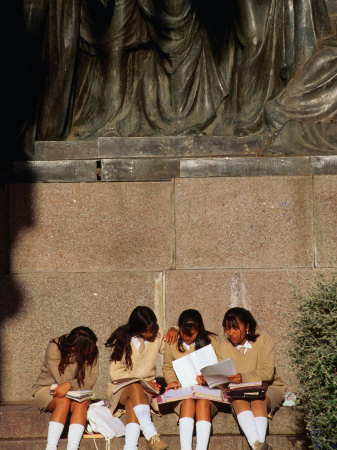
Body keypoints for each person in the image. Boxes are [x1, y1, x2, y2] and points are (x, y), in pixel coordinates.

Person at [105, 306, 178, 450]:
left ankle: (130, 446)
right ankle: (151, 434)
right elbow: (115, 373)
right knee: (134, 386)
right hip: (120, 389)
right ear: (137, 328)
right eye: (147, 330)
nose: (152, 332)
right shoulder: (121, 339)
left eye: (153, 328)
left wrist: (175, 329)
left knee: (133, 400)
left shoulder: (157, 334)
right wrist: (141, 381)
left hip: (146, 391)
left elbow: (171, 349)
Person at [216, 307, 286, 450]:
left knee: (257, 400)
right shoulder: (223, 347)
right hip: (238, 391)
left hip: (267, 387)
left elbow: (268, 373)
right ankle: (258, 446)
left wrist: (243, 377)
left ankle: (257, 445)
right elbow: (220, 375)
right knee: (237, 400)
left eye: (235, 328)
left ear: (247, 326)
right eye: (227, 329)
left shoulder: (263, 340)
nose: (231, 333)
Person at [32, 326, 99, 450]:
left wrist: (70, 385)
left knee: (82, 403)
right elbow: (62, 379)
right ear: (76, 347)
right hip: (47, 388)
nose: (92, 350)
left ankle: (72, 447)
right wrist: (68, 382)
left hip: (76, 391)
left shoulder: (92, 350)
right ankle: (51, 447)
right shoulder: (55, 348)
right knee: (63, 401)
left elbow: (90, 380)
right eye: (87, 348)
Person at [162, 309, 218, 450]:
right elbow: (167, 366)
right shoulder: (172, 343)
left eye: (191, 334)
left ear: (199, 329)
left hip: (207, 392)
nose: (187, 337)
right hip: (183, 391)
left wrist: (208, 378)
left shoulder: (212, 341)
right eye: (183, 333)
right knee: (187, 403)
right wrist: (172, 381)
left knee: (202, 402)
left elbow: (220, 366)